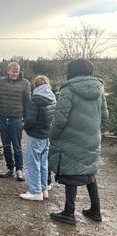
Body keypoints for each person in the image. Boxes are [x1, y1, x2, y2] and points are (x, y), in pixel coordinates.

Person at [49, 59, 108, 225]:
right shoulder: (99, 89)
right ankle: (95, 210)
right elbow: (105, 116)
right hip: (92, 137)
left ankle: (69, 212)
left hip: (71, 139)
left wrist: (52, 136)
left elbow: (60, 120)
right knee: (89, 173)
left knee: (71, 173)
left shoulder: (68, 90)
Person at [19, 75, 56, 201]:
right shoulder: (52, 98)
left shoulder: (34, 100)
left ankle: (35, 191)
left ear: (35, 85)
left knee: (32, 164)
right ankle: (44, 188)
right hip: (46, 135)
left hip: (36, 136)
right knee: (43, 163)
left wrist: (25, 128)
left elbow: (30, 120)